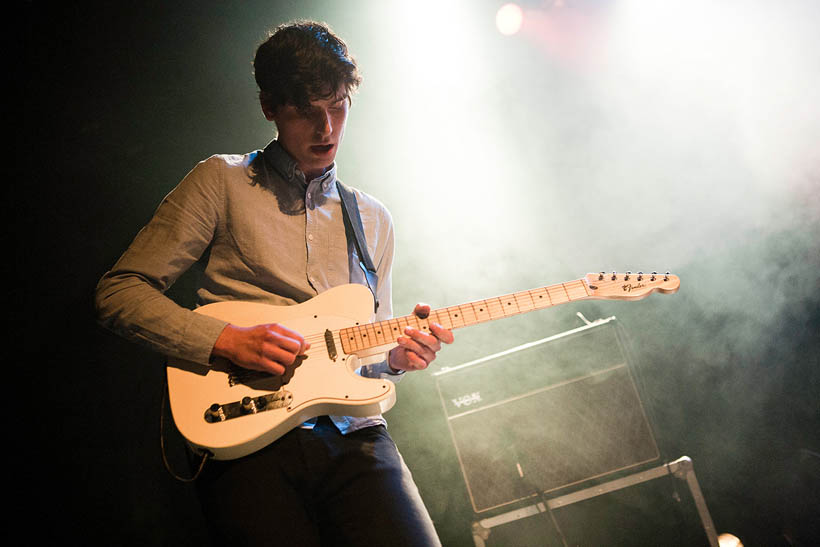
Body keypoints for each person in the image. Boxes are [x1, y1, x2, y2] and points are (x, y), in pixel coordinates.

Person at [95, 20, 453, 547]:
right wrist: (226, 340)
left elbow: (370, 350)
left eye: (336, 107)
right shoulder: (219, 181)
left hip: (356, 437)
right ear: (269, 107)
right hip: (248, 433)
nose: (326, 128)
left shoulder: (372, 218)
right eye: (305, 111)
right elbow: (119, 292)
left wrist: (398, 357)